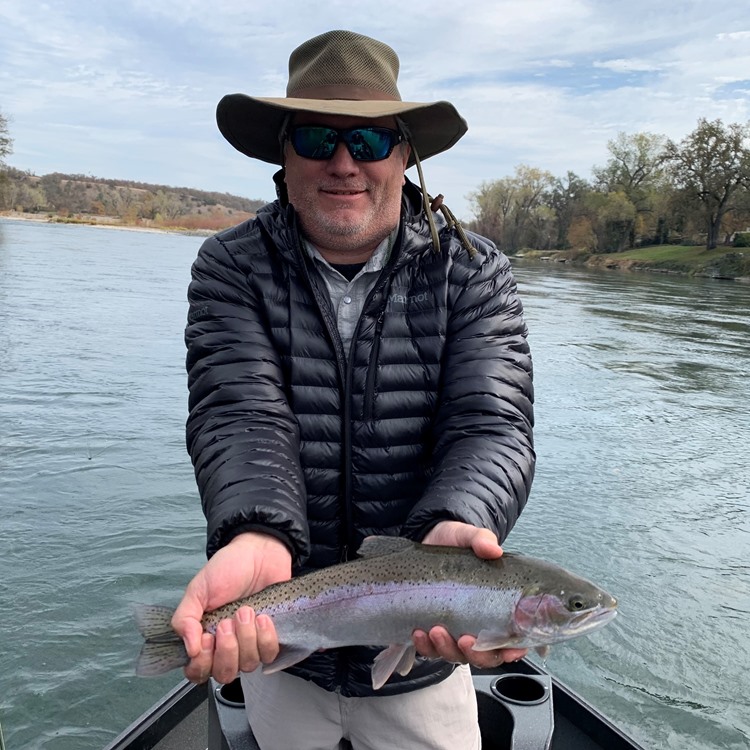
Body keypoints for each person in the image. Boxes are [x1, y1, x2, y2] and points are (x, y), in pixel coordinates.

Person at [172, 29, 535, 750]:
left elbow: (489, 423)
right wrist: (257, 533)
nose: (344, 163)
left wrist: (453, 534)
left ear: (405, 156)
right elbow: (240, 414)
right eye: (316, 139)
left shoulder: (473, 271)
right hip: (281, 644)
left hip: (425, 663)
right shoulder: (230, 266)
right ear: (284, 152)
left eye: (369, 142)